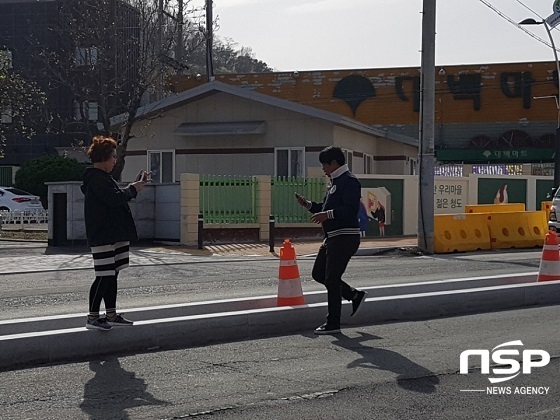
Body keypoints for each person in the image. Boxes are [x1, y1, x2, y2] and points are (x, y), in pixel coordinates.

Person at [296, 146, 367, 335]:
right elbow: (326, 208)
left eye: (325, 164)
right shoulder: (335, 182)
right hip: (332, 238)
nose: (323, 168)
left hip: (345, 237)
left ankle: (333, 322)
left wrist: (327, 214)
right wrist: (310, 205)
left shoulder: (349, 181)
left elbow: (350, 209)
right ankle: (353, 295)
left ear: (335, 163)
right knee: (319, 274)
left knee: (332, 278)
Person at [81, 135, 149, 331]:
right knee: (104, 275)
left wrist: (133, 189)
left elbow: (116, 198)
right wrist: (133, 189)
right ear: (103, 158)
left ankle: (110, 314)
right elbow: (114, 199)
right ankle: (93, 317)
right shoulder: (96, 178)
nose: (114, 160)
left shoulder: (103, 178)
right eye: (112, 156)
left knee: (112, 274)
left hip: (113, 235)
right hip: (103, 235)